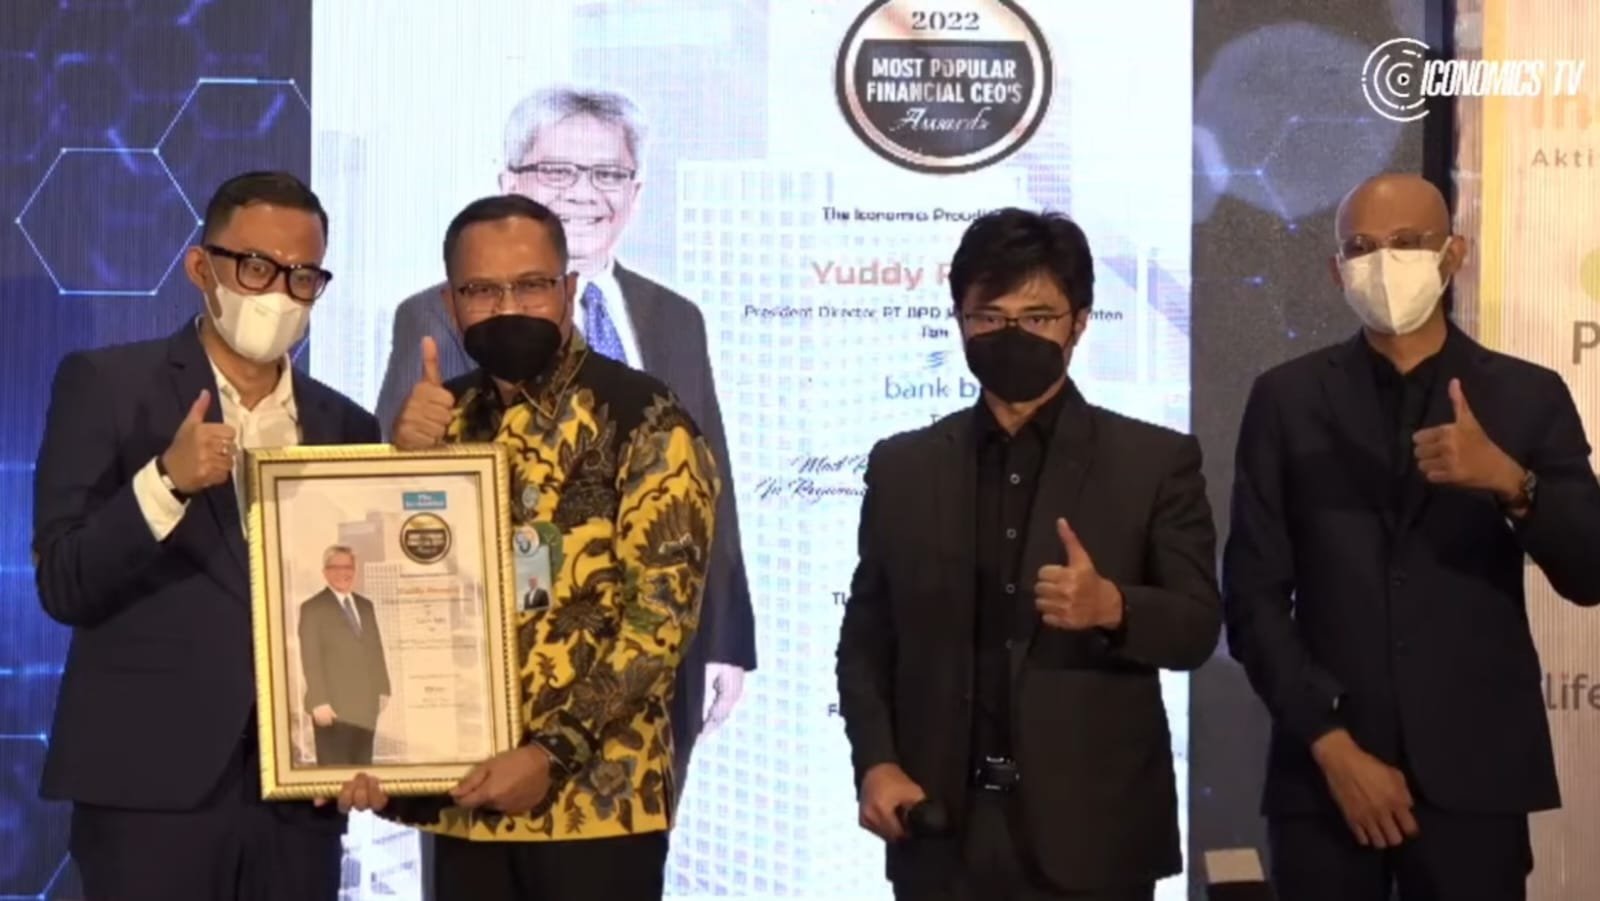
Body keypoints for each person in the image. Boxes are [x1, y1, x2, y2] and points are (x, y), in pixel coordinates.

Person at [1222, 173, 1600, 900]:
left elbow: (1590, 572)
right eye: (1361, 248)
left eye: (1405, 243)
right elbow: (1252, 597)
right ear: (1336, 269)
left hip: (1478, 775)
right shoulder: (1287, 399)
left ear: (1453, 254)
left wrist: (1511, 482)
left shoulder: (1526, 394)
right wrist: (1331, 744)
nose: (1382, 263)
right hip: (1326, 778)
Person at [339, 194, 720, 901]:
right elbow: (389, 599)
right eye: (481, 290)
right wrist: (401, 467)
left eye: (531, 285)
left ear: (569, 290)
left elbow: (658, 626)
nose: (507, 306)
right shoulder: (439, 421)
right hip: (462, 804)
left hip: (597, 812)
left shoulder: (644, 417)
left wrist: (550, 753)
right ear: (451, 304)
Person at [835, 208, 1222, 901]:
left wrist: (1114, 606)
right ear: (959, 320)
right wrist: (876, 762)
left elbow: (1196, 628)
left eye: (1037, 316)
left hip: (1094, 838)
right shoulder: (904, 467)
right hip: (938, 831)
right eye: (990, 317)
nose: (1012, 334)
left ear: (1079, 322)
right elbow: (866, 640)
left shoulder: (1154, 461)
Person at [374, 85, 754, 777]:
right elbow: (391, 515)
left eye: (607, 172)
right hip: (494, 678)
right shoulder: (433, 315)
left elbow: (712, 482)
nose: (583, 193)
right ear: (508, 180)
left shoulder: (676, 317)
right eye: (556, 170)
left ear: (635, 192)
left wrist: (727, 636)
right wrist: (404, 456)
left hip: (650, 671)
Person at [31, 171, 380, 900]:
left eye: (303, 276)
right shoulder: (108, 386)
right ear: (201, 267)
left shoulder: (347, 425)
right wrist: (165, 482)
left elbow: (357, 607)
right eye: (255, 267)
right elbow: (64, 582)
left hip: (300, 803)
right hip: (149, 796)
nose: (279, 292)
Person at [298, 545, 391, 766]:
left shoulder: (366, 606)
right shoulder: (312, 608)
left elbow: (375, 649)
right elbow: (310, 658)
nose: (343, 572)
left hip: (366, 707)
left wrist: (383, 688)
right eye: (336, 567)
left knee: (362, 768)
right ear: (325, 572)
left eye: (348, 567)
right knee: (335, 771)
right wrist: (319, 700)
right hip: (331, 709)